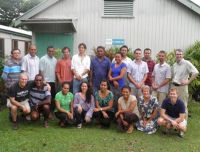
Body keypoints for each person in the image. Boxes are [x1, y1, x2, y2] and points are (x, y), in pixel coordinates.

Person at [171, 49, 199, 116]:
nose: (179, 56)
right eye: (177, 54)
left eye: (180, 54)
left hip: (182, 87)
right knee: (174, 104)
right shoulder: (174, 65)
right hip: (174, 87)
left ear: (183, 55)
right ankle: (176, 121)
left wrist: (188, 81)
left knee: (183, 105)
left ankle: (183, 123)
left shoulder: (186, 63)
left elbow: (196, 72)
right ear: (175, 55)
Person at [39, 46, 57, 113]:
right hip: (45, 82)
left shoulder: (55, 59)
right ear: (47, 51)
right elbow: (41, 71)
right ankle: (44, 111)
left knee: (52, 97)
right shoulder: (43, 59)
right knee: (45, 97)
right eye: (49, 51)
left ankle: (51, 111)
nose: (51, 52)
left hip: (53, 81)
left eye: (52, 51)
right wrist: (43, 81)